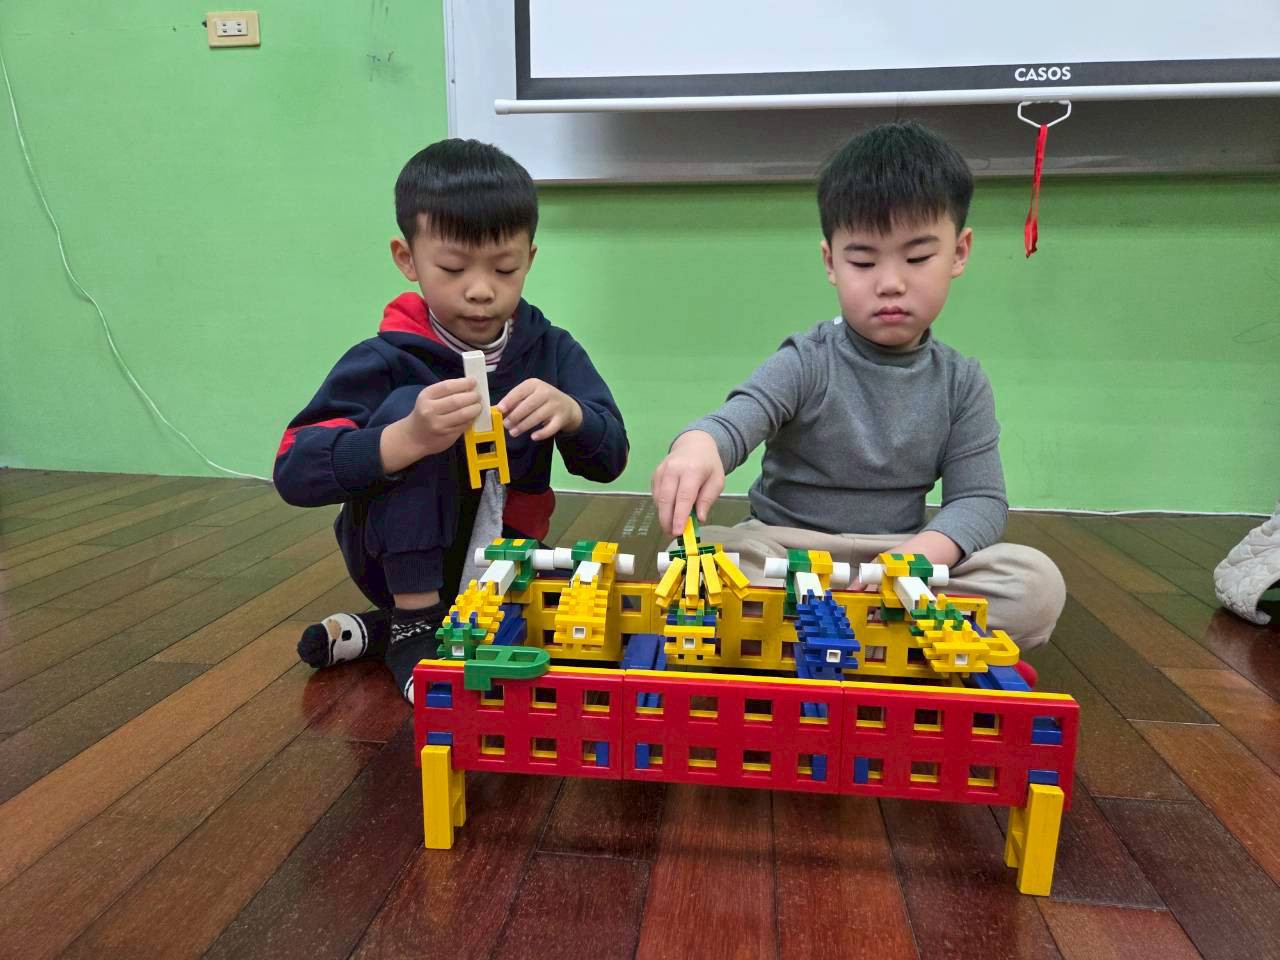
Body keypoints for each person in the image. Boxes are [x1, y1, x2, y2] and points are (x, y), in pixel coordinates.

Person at [651, 122, 1063, 654]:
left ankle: (802, 635)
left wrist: (919, 557)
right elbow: (738, 418)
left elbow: (979, 501)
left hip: (901, 558)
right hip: (784, 552)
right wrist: (698, 445)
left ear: (959, 253)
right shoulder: (807, 360)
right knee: (698, 560)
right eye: (863, 261)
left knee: (1035, 583)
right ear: (831, 262)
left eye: (918, 258)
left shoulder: (962, 383)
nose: (890, 282)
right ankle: (876, 638)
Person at [274, 139, 628, 700]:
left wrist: (574, 415)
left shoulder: (552, 351)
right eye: (453, 268)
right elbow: (294, 468)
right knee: (411, 405)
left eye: (505, 268)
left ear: (530, 259)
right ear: (407, 259)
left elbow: (611, 460)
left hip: (506, 560)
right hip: (392, 565)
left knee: (571, 611)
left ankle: (383, 630)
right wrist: (404, 439)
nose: (482, 290)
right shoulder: (383, 357)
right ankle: (414, 624)